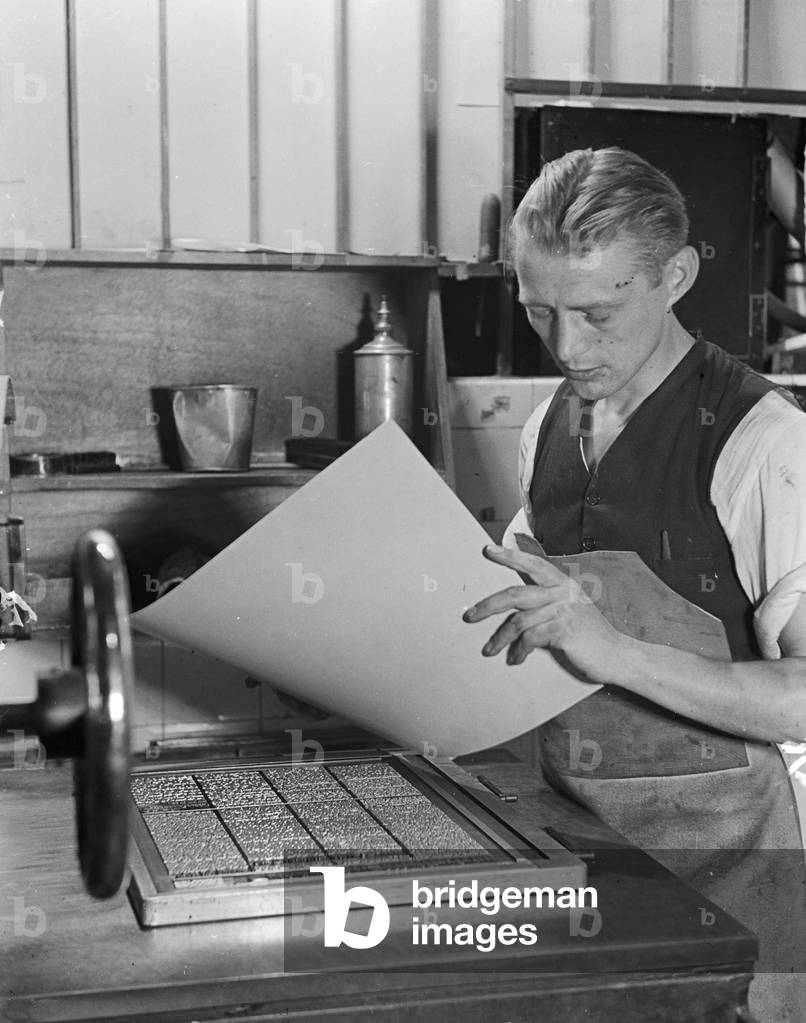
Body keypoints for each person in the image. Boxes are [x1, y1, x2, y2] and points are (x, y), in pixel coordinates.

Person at [462, 146, 806, 1022]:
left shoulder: (764, 441)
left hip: (732, 867)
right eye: (540, 312)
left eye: (597, 312)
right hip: (579, 846)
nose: (567, 346)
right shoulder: (547, 425)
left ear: (677, 276)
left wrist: (614, 652)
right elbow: (525, 617)